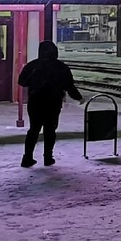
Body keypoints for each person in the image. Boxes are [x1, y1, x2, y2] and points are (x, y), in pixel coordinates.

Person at [17, 40, 82, 168]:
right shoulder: (61, 67)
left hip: (35, 102)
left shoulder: (32, 66)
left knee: (33, 130)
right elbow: (69, 86)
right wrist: (78, 97)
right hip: (53, 103)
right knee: (50, 130)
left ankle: (27, 158)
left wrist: (35, 83)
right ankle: (48, 157)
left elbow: (22, 81)